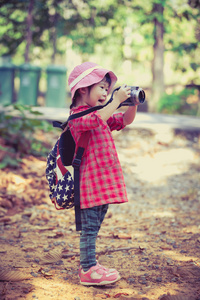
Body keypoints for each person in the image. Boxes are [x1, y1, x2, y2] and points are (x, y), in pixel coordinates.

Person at [68, 62, 138, 286]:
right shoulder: (77, 117)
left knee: (94, 227)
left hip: (103, 183)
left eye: (108, 89)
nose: (106, 93)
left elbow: (124, 120)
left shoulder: (100, 114)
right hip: (88, 184)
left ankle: (91, 264)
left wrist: (131, 104)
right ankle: (87, 269)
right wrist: (115, 101)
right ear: (83, 89)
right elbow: (97, 119)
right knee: (89, 228)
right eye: (102, 88)